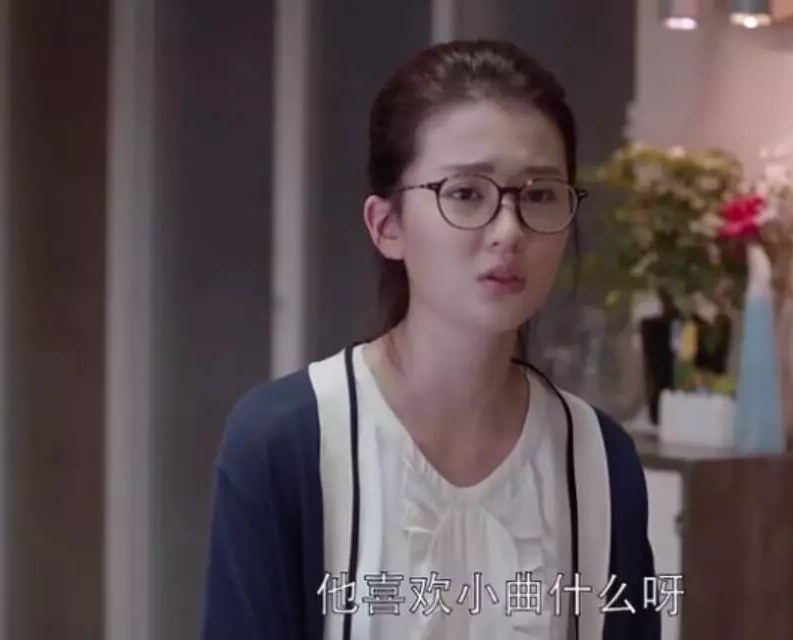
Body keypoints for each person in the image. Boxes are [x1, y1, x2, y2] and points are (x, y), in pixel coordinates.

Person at [201, 39, 659, 640]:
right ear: (386, 225)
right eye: (466, 193)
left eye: (540, 194)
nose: (509, 230)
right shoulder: (286, 441)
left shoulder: (599, 460)